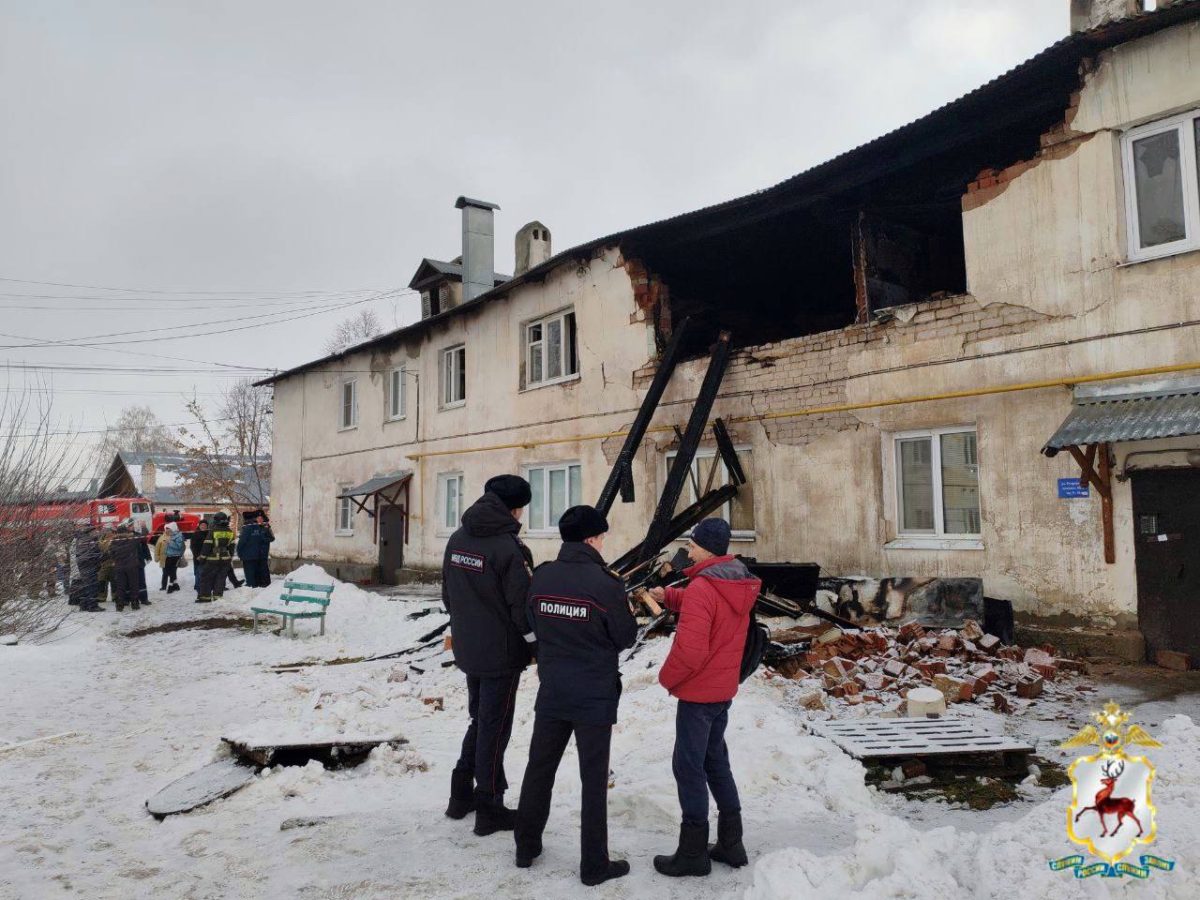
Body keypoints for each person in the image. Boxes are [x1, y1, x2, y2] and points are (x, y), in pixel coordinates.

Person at [514, 505, 637, 887]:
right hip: (594, 695)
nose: (603, 543)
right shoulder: (606, 584)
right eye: (601, 536)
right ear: (591, 539)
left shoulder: (543, 577)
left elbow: (530, 624)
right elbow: (625, 636)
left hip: (553, 688)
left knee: (539, 769)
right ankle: (594, 865)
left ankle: (525, 846)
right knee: (593, 780)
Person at [647, 518, 761, 878]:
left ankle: (693, 853)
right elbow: (711, 606)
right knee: (715, 762)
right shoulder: (736, 580)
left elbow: (691, 651)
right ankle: (731, 841)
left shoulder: (703, 587)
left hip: (698, 694)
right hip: (722, 689)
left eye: (693, 545)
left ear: (708, 548)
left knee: (688, 767)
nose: (689, 550)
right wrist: (670, 596)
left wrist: (666, 678)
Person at [441, 474, 536, 837]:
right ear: (515, 509)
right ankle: (490, 805)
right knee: (494, 728)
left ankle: (460, 794)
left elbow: (447, 595)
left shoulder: (458, 538)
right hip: (501, 654)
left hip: (469, 647)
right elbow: (521, 609)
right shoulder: (509, 548)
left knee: (479, 721)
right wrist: (534, 645)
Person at [196, 512, 237, 603]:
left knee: (206, 578)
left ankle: (205, 597)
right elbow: (232, 547)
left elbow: (207, 546)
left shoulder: (213, 531)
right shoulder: (230, 532)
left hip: (212, 560)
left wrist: (202, 558)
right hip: (225, 560)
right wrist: (229, 557)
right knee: (221, 578)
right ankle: (217, 596)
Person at [108, 520, 145, 612]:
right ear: (127, 532)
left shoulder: (113, 542)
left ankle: (119, 604)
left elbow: (111, 554)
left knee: (120, 586)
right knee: (134, 585)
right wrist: (142, 527)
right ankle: (135, 604)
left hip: (119, 567)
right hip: (132, 566)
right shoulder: (132, 540)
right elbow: (142, 536)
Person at [69, 524, 103, 612]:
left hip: (82, 566)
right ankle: (93, 606)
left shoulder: (80, 540)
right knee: (92, 586)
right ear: (89, 532)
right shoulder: (90, 541)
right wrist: (99, 559)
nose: (95, 532)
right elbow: (95, 554)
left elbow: (78, 554)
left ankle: (83, 605)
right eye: (94, 531)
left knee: (85, 586)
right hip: (90, 566)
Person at [237, 512, 274, 588]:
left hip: (263, 551)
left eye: (261, 518)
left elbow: (272, 538)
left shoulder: (266, 527)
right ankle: (256, 583)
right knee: (255, 569)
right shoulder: (251, 527)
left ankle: (265, 583)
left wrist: (264, 539)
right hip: (255, 552)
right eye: (258, 518)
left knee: (264, 569)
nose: (260, 520)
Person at [156, 522, 185, 593]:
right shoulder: (169, 535)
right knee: (170, 572)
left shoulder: (178, 536)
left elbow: (179, 547)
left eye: (169, 529)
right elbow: (157, 546)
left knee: (171, 572)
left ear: (173, 529)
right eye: (166, 529)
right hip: (167, 557)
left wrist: (169, 542)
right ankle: (175, 585)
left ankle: (171, 586)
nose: (167, 530)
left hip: (174, 557)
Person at [190, 520, 209, 597]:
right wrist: (197, 555)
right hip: (198, 557)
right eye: (202, 525)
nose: (203, 526)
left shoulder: (209, 533)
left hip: (207, 557)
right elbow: (193, 546)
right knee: (198, 573)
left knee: (204, 574)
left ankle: (202, 588)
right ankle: (199, 589)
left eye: (205, 525)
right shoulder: (196, 534)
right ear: (199, 526)